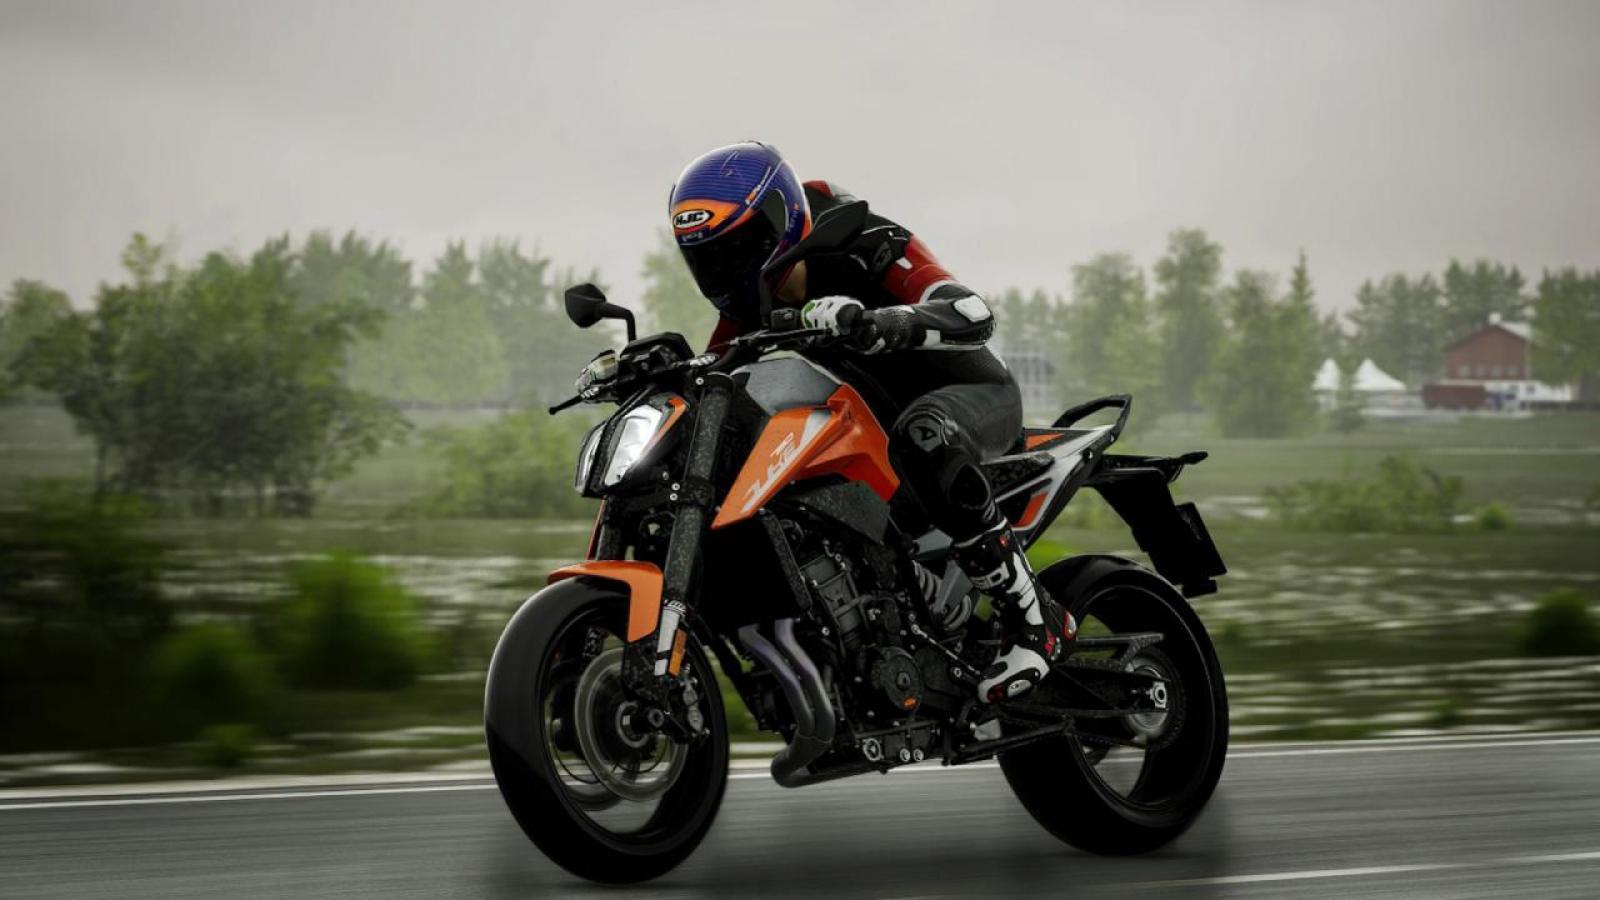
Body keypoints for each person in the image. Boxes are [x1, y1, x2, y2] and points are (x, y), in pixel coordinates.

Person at [669, 141, 1075, 702]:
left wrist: (886, 322)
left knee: (921, 434)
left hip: (970, 397)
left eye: (736, 248)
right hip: (881, 436)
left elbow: (971, 312)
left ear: (779, 221)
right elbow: (713, 375)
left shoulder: (860, 238)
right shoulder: (749, 311)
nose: (722, 270)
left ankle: (1035, 617)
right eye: (707, 257)